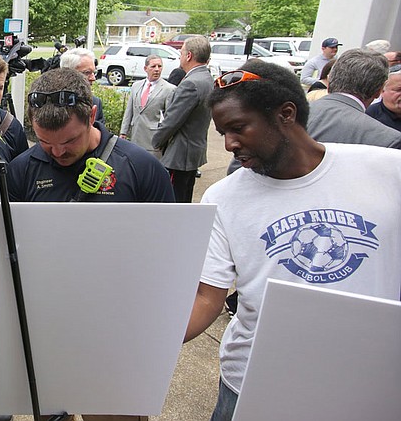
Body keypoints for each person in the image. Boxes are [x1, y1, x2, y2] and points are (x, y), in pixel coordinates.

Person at [185, 59, 401, 421]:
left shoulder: (387, 170)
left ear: (286, 113)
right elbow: (208, 295)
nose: (228, 144)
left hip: (368, 379)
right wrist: (151, 343)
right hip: (253, 382)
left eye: (237, 127)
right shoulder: (223, 198)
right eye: (222, 132)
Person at [7, 68, 174, 203]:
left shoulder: (143, 168)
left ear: (92, 115)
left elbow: (166, 236)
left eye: (69, 141)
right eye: (45, 142)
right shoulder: (19, 171)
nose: (58, 152)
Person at [152, 35, 214, 203]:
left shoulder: (191, 83)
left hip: (179, 156)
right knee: (184, 199)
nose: (180, 56)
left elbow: (172, 120)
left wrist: (155, 141)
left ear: (189, 56)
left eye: (181, 52)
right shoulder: (206, 78)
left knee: (174, 202)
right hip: (192, 153)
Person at [306, 48, 401, 148]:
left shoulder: (292, 113)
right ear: (380, 90)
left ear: (329, 82)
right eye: (398, 89)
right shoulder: (390, 140)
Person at [120, 54, 176, 157]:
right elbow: (129, 111)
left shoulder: (169, 89)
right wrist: (123, 132)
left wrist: (164, 139)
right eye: (153, 66)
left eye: (159, 66)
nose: (157, 69)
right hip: (136, 137)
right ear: (146, 68)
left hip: (153, 141)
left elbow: (170, 118)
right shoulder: (136, 86)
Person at [59, 47, 105, 126]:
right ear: (67, 74)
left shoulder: (95, 102)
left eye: (94, 72)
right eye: (87, 73)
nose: (93, 78)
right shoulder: (49, 101)